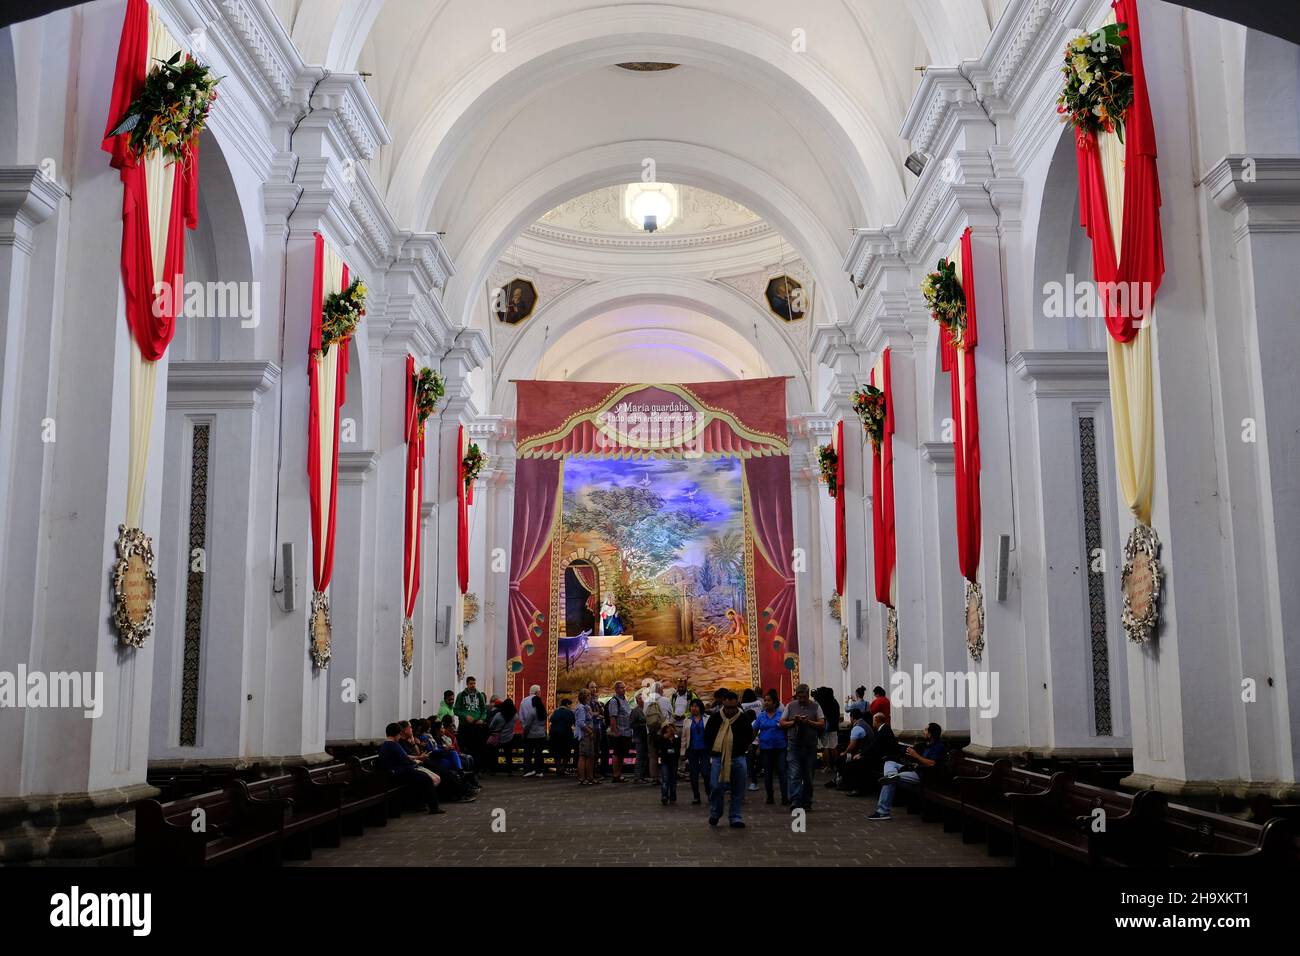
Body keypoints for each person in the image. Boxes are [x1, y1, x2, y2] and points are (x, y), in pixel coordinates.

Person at [868, 722, 947, 821]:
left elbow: (932, 764)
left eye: (926, 730)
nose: (923, 732)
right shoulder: (925, 745)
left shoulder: (939, 746)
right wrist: (910, 755)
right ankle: (892, 775)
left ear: (930, 734)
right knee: (889, 762)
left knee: (889, 781)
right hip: (915, 769)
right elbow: (913, 756)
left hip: (923, 775)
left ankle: (882, 812)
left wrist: (915, 756)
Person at [704, 690, 755, 827]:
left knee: (738, 789)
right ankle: (715, 812)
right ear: (723, 704)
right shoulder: (715, 718)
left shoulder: (743, 718)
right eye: (727, 708)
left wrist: (740, 746)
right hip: (718, 758)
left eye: (733, 708)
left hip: (738, 757)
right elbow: (708, 736)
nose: (730, 711)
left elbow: (750, 735)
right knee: (715, 786)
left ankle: (735, 816)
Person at [378, 722, 443, 814]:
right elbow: (405, 759)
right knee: (427, 779)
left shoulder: (386, 744)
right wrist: (416, 761)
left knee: (423, 777)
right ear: (397, 733)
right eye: (400, 734)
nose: (400, 736)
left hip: (394, 771)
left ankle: (420, 804)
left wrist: (417, 758)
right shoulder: (394, 745)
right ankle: (434, 808)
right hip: (399, 772)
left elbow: (404, 757)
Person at [780, 683, 825, 812]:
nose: (801, 700)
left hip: (810, 745)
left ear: (808, 695)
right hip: (794, 744)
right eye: (799, 697)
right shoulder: (790, 705)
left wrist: (808, 722)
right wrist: (794, 722)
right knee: (794, 774)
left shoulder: (815, 707)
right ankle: (795, 800)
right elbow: (782, 722)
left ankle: (807, 800)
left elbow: (822, 724)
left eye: (804, 697)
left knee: (808, 775)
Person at [752, 689, 788, 805]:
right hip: (766, 748)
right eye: (765, 700)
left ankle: (784, 796)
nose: (766, 703)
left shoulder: (781, 715)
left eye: (769, 701)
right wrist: (753, 745)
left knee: (782, 772)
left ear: (774, 703)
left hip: (780, 747)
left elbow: (786, 730)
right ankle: (770, 796)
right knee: (768, 773)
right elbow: (755, 731)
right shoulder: (761, 716)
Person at [838, 708, 876, 796]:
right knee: (847, 758)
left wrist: (845, 752)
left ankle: (849, 784)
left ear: (851, 717)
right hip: (868, 753)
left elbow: (852, 745)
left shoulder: (857, 727)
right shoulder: (865, 724)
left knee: (842, 759)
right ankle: (844, 781)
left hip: (864, 754)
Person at [454, 677, 489, 768]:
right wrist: (465, 716)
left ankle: (477, 769)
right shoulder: (461, 695)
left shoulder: (479, 695)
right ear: (467, 684)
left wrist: (482, 719)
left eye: (474, 683)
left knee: (477, 748)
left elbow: (484, 710)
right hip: (465, 726)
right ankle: (467, 767)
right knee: (465, 747)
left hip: (476, 726)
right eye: (471, 683)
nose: (473, 685)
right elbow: (456, 710)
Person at [813, 686, 841, 788]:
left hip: (825, 728)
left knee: (825, 747)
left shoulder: (822, 703)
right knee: (833, 747)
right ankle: (837, 765)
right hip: (833, 727)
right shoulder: (835, 702)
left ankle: (827, 766)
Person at [683, 698, 710, 804]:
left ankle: (709, 793)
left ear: (701, 707)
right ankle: (696, 796)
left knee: (706, 773)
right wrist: (683, 751)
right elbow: (684, 738)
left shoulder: (707, 718)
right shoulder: (687, 720)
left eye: (696, 706)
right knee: (693, 774)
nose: (694, 708)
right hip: (692, 750)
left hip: (705, 749)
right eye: (692, 706)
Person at [605, 680, 632, 782]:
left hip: (626, 732)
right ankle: (615, 775)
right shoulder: (614, 701)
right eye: (621, 687)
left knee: (622, 754)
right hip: (619, 732)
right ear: (616, 689)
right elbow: (613, 717)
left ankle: (619, 774)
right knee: (617, 753)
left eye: (624, 687)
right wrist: (615, 731)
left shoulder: (624, 700)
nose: (624, 689)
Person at [519, 685, 549, 777]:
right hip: (540, 734)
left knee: (528, 752)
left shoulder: (524, 701)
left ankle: (528, 770)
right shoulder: (542, 710)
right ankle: (539, 770)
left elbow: (522, 717)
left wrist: (525, 730)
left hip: (530, 733)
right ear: (537, 692)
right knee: (539, 753)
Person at [486, 698, 518, 775]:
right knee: (508, 755)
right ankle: (509, 771)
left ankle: (493, 771)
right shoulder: (515, 716)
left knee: (494, 755)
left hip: (498, 737)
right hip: (509, 738)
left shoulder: (498, 715)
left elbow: (491, 726)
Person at [643, 684, 667, 784]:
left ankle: (654, 777)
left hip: (650, 732)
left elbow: (645, 715)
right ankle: (666, 775)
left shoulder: (647, 701)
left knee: (653, 755)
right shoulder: (665, 700)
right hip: (662, 732)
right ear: (660, 690)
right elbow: (667, 715)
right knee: (665, 755)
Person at [740, 688, 763, 791]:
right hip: (759, 728)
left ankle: (752, 779)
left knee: (749, 759)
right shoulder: (759, 702)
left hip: (748, 731)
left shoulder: (743, 705)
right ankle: (758, 771)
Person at [574, 689, 597, 785]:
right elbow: (580, 723)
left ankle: (590, 777)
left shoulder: (586, 707)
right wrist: (589, 731)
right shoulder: (580, 708)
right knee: (584, 756)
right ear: (583, 697)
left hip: (589, 733)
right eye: (588, 695)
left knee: (590, 756)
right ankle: (582, 778)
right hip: (585, 735)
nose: (589, 697)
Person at [549, 698, 577, 775]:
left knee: (556, 751)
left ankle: (558, 768)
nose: (571, 707)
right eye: (570, 705)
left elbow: (550, 719)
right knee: (566, 751)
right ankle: (563, 768)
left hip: (554, 734)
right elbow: (574, 723)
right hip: (566, 734)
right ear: (567, 704)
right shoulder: (569, 712)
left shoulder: (555, 711)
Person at [658, 719, 680, 805]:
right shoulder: (661, 738)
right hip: (665, 761)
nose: (669, 728)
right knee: (665, 779)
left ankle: (673, 796)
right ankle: (664, 796)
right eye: (667, 727)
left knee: (673, 780)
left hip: (674, 761)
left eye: (671, 726)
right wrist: (665, 738)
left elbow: (678, 749)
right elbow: (660, 749)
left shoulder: (677, 738)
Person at [631, 692, 649, 783]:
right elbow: (631, 724)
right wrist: (642, 724)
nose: (641, 700)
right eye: (639, 699)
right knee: (639, 756)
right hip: (638, 736)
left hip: (646, 736)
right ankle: (637, 777)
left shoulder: (647, 709)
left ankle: (642, 776)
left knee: (645, 756)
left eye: (642, 698)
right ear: (637, 701)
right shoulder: (635, 711)